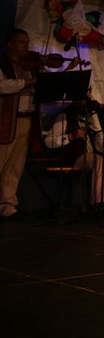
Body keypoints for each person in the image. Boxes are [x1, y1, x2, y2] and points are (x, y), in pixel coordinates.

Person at [0, 29, 41, 220]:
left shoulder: (30, 65)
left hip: (26, 119)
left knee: (15, 165)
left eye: (27, 42)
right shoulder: (3, 64)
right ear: (10, 44)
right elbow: (3, 85)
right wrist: (27, 82)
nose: (26, 46)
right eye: (21, 42)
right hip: (7, 119)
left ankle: (7, 205)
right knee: (2, 161)